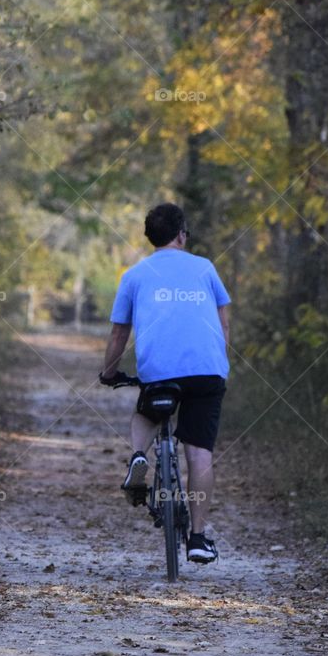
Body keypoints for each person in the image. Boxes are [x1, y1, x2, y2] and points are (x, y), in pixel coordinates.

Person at [99, 202, 230, 564]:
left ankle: (139, 455)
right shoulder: (205, 268)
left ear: (150, 237)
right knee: (199, 454)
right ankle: (198, 538)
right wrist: (220, 364)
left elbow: (118, 334)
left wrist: (109, 372)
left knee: (146, 411)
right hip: (207, 371)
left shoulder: (134, 275)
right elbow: (224, 324)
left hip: (160, 372)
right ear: (182, 235)